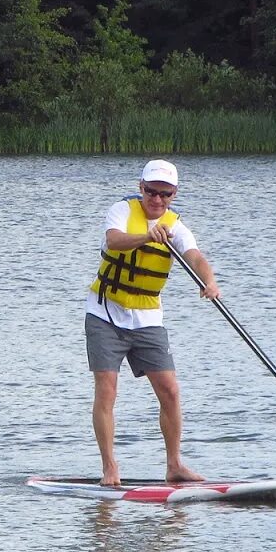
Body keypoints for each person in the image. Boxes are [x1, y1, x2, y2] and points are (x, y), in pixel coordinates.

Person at [86, 159, 221, 487]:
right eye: (151, 191)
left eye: (165, 193)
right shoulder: (121, 211)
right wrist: (147, 236)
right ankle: (110, 469)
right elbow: (115, 240)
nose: (157, 199)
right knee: (107, 390)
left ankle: (174, 465)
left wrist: (210, 281)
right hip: (105, 314)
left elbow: (196, 257)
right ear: (141, 187)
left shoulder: (176, 226)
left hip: (147, 319)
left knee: (171, 392)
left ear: (174, 194)